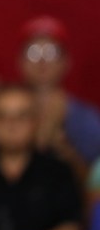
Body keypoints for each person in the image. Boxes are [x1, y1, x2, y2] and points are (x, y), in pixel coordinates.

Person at [0, 84, 82, 230]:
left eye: (21, 116)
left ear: (36, 121)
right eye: (3, 116)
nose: (11, 124)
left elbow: (72, 228)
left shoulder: (58, 172)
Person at [18, 15, 100, 181]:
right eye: (33, 53)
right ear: (20, 62)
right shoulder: (4, 109)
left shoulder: (85, 117)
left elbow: (93, 181)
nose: (42, 62)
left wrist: (64, 149)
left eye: (51, 53)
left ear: (66, 62)